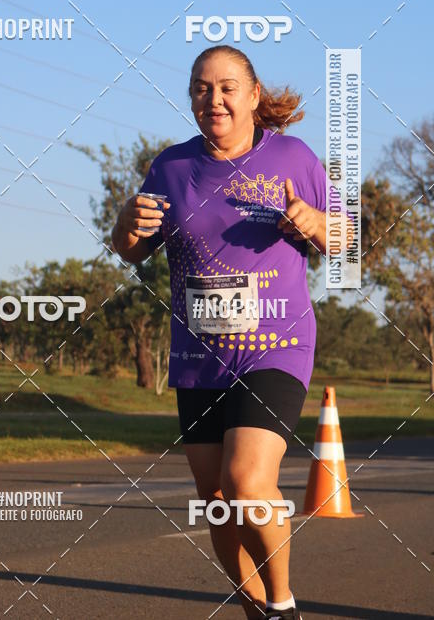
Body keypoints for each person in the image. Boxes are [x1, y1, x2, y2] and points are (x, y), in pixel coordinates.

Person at [111, 45, 327, 620]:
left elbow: (347, 244)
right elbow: (133, 249)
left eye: (229, 87)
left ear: (254, 96)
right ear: (191, 98)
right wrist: (124, 226)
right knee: (216, 503)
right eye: (202, 88)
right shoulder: (172, 167)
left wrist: (319, 223)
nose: (216, 99)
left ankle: (282, 604)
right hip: (198, 352)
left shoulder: (294, 158)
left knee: (246, 481)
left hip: (275, 347)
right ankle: (255, 605)